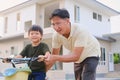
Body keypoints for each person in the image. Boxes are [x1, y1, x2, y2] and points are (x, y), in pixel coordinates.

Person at [45, 9, 101, 80]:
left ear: (67, 21)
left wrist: (54, 57)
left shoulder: (80, 30)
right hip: (78, 57)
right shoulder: (56, 36)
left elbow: (75, 56)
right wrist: (42, 73)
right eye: (53, 24)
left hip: (91, 53)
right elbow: (53, 57)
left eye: (58, 23)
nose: (56, 27)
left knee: (86, 77)